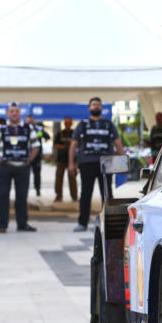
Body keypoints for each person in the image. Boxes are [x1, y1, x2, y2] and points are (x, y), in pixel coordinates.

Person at [68, 97, 125, 232]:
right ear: (89, 108)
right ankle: (82, 222)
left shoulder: (109, 124)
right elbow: (73, 144)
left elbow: (118, 143)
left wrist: (123, 164)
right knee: (86, 194)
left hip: (106, 164)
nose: (96, 107)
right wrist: (71, 163)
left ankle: (110, 223)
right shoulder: (82, 124)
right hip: (86, 163)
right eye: (94, 105)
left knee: (107, 195)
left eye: (98, 105)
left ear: (101, 108)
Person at [0, 103, 40, 233]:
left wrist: (30, 160)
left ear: (20, 113)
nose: (14, 113)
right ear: (8, 113)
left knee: (22, 197)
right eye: (12, 111)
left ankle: (22, 224)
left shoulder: (28, 127)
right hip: (6, 166)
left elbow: (36, 146)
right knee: (2, 196)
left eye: (17, 111)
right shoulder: (1, 127)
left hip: (23, 167)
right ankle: (2, 225)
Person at [24, 115, 50, 197]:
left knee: (37, 174)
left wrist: (41, 134)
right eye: (28, 120)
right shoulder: (22, 128)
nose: (30, 122)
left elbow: (47, 136)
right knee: (25, 174)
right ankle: (25, 190)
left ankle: (37, 189)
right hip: (26, 155)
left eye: (31, 120)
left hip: (37, 155)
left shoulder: (38, 129)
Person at [53, 117, 77, 202]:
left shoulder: (74, 133)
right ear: (64, 123)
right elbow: (55, 145)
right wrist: (64, 147)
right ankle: (58, 195)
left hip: (72, 159)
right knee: (59, 177)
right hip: (61, 159)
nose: (67, 124)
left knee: (72, 178)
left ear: (71, 123)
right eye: (66, 123)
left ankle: (74, 196)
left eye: (69, 123)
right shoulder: (60, 133)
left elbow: (78, 144)